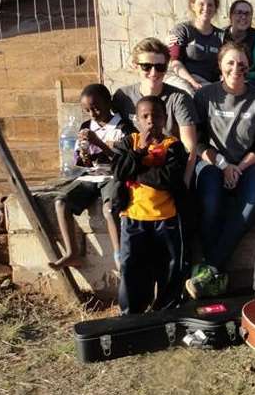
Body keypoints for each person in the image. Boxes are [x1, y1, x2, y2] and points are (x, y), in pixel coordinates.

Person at [188, 42, 255, 298]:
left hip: (249, 162)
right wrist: (224, 165)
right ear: (220, 65)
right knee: (211, 202)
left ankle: (210, 268)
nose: (236, 68)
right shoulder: (204, 96)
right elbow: (198, 141)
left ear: (249, 66)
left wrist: (239, 167)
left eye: (241, 63)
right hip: (213, 161)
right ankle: (216, 272)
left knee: (250, 205)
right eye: (230, 62)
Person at [111, 97, 186, 314]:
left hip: (167, 218)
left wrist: (133, 169)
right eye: (145, 116)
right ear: (137, 119)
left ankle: (166, 311)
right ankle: (132, 314)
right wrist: (140, 151)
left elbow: (168, 178)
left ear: (165, 119)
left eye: (156, 116)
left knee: (169, 267)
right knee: (131, 267)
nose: (151, 121)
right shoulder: (129, 143)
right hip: (134, 217)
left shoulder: (173, 145)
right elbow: (117, 171)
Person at [50, 84, 134, 271]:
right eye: (87, 110)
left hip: (114, 175)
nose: (93, 114)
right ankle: (72, 253)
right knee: (61, 201)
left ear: (109, 103)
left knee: (109, 210)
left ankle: (120, 256)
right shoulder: (86, 126)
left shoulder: (123, 127)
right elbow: (82, 162)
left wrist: (100, 143)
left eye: (96, 107)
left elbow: (124, 161)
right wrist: (84, 154)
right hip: (92, 175)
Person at [112, 37, 199, 186]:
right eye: (146, 66)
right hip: (134, 166)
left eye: (160, 67)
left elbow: (189, 147)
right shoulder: (123, 96)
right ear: (135, 66)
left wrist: (184, 184)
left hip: (167, 170)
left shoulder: (179, 98)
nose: (154, 72)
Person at [167, 0, 223, 94]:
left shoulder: (221, 36)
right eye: (201, 4)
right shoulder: (182, 30)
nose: (206, 8)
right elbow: (175, 62)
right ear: (193, 6)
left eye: (210, 5)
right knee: (190, 94)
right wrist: (191, 81)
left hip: (205, 82)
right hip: (180, 77)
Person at [223, 0, 255, 89]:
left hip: (251, 84)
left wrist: (243, 75)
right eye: (239, 13)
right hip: (225, 82)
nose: (243, 17)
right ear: (231, 16)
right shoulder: (221, 36)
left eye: (247, 14)